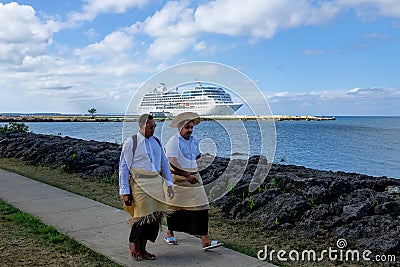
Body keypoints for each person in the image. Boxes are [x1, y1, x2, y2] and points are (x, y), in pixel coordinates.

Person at [118, 113, 174, 261]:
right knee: (141, 218)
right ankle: (134, 246)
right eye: (151, 126)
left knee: (153, 219)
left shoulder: (157, 141)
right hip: (139, 184)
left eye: (155, 126)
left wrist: (169, 184)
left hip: (156, 184)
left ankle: (143, 249)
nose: (153, 129)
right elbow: (123, 168)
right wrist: (125, 192)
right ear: (142, 126)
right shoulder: (131, 142)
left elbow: (164, 163)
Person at [163, 112, 223, 250]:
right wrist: (186, 175)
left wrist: (195, 167)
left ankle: (205, 240)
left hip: (194, 177)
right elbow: (172, 163)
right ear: (179, 127)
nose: (190, 130)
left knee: (202, 207)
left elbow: (196, 156)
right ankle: (169, 233)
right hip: (177, 179)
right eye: (187, 127)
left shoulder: (194, 140)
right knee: (174, 208)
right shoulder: (173, 142)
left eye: (191, 127)